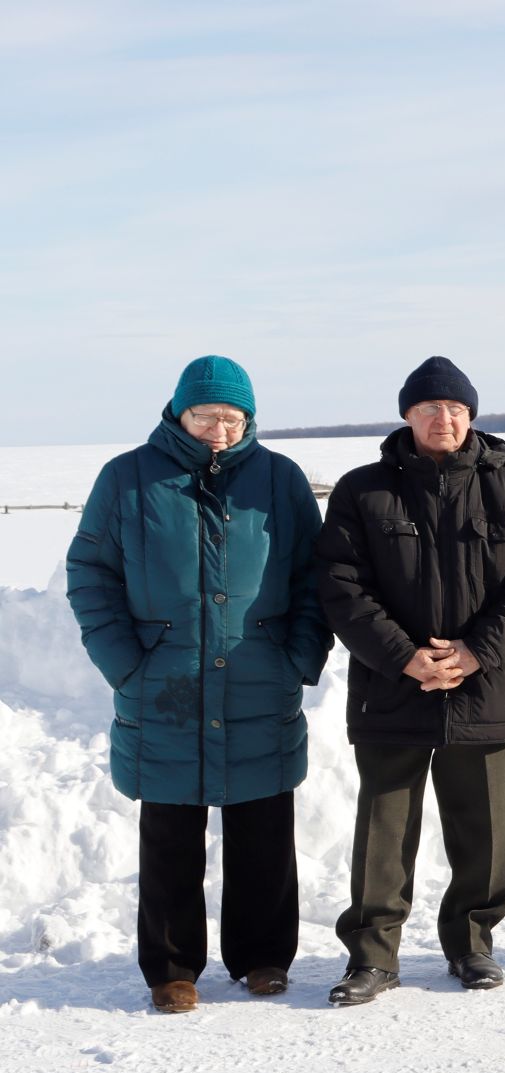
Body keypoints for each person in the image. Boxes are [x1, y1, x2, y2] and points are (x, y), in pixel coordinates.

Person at [66, 356, 331, 1013]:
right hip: (164, 687)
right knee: (170, 838)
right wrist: (126, 661)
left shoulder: (280, 480)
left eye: (231, 417)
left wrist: (297, 654)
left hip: (259, 681)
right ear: (178, 412)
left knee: (264, 829)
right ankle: (172, 968)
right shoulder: (127, 479)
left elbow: (316, 578)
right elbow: (90, 574)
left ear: (249, 419)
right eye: (205, 415)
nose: (218, 428)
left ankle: (264, 957)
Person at [315, 356, 505, 1005]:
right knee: (384, 830)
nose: (443, 419)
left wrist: (477, 651)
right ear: (407, 416)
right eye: (429, 408)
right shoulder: (362, 491)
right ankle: (373, 956)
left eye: (455, 408)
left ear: (472, 415)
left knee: (487, 830)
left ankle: (473, 942)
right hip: (391, 686)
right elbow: (341, 585)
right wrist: (403, 654)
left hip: (487, 688)